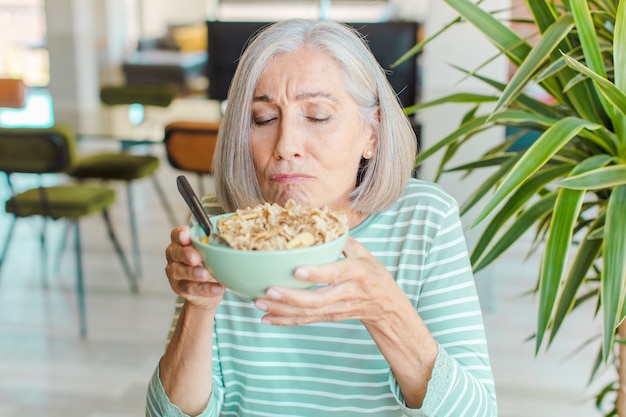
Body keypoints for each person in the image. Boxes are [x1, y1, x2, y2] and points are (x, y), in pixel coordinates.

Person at [146, 18, 498, 417]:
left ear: (372, 132)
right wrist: (199, 304)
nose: (286, 146)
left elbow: (477, 412)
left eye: (316, 116)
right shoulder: (220, 227)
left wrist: (386, 311)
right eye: (263, 119)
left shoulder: (424, 221)